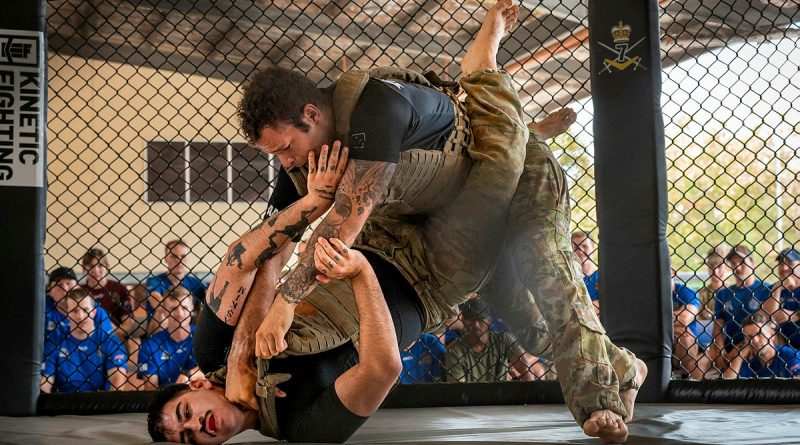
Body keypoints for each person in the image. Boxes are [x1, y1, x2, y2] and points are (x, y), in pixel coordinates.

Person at [151, 3, 643, 443]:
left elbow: (340, 224)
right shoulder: (304, 167)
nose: (283, 162)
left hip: (497, 166)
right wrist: (245, 349)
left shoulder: (371, 109)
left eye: (283, 148)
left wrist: (280, 307)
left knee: (544, 260)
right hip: (422, 230)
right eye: (191, 438)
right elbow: (276, 242)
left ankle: (598, 400)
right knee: (537, 332)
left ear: (309, 114)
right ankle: (628, 368)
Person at [41, 288, 128, 393]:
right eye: (74, 311)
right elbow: (45, 384)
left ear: (94, 312)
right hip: (63, 403)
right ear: (67, 314)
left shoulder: (111, 343)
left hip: (101, 403)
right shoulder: (54, 342)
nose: (80, 316)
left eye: (85, 310)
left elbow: (117, 381)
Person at [445, 298, 546, 382]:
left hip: (502, 397)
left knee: (537, 370)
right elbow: (459, 389)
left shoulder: (504, 339)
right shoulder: (455, 351)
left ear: (489, 320)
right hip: (472, 402)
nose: (475, 324)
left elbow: (526, 371)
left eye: (480, 319)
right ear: (463, 321)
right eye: (471, 319)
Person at [708, 244, 772, 371]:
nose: (737, 267)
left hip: (755, 342)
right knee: (696, 365)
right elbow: (718, 327)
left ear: (752, 262)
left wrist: (741, 347)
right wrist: (720, 350)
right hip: (729, 345)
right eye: (733, 263)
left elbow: (769, 323)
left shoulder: (766, 289)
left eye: (742, 262)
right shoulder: (723, 293)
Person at [138, 286, 202, 389]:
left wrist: (188, 374)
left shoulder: (203, 337)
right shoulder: (150, 346)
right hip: (165, 400)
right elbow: (151, 388)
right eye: (173, 309)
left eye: (184, 308)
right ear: (164, 312)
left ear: (192, 308)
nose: (180, 314)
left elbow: (211, 372)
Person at [145, 239, 208, 333]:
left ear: (187, 259)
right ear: (166, 259)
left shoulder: (195, 283)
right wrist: (178, 309)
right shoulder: (155, 281)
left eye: (183, 256)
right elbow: (155, 299)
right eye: (174, 256)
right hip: (162, 330)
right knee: (162, 312)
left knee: (204, 310)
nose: (179, 260)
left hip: (190, 331)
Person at [45, 266, 115, 348]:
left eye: (68, 283)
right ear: (50, 291)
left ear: (77, 287)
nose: (65, 289)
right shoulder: (42, 313)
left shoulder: (95, 311)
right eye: (59, 285)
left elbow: (109, 345)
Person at [722, 315, 800, 379]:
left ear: (772, 335)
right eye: (749, 337)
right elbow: (726, 387)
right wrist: (740, 356)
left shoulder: (790, 355)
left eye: (759, 334)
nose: (755, 340)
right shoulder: (747, 360)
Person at [671, 270, 707, 379]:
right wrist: (671, 327)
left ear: (672, 272)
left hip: (683, 340)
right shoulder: (649, 293)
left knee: (684, 334)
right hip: (660, 334)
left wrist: (658, 319)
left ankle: (685, 378)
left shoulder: (687, 292)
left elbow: (684, 319)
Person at [763, 248, 800, 348]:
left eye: (790, 263)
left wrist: (796, 314)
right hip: (782, 348)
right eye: (781, 264)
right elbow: (766, 316)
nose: (784, 268)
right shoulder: (773, 288)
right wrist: (778, 289)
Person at [572, 230, 600, 315]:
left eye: (585, 246)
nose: (580, 249)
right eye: (576, 247)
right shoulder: (570, 280)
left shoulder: (602, 277)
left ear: (594, 249)